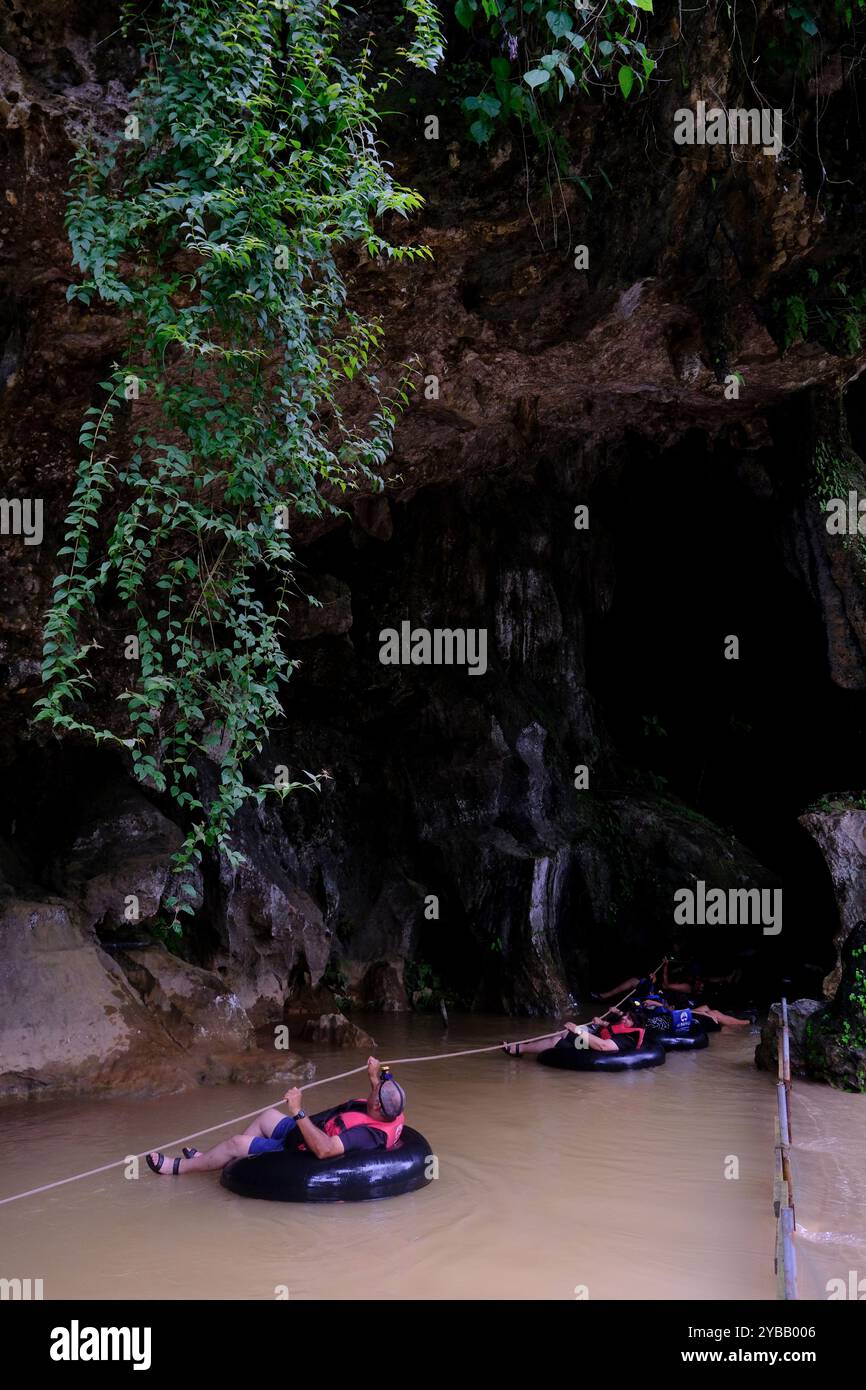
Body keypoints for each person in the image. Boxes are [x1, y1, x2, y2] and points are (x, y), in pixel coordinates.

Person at [147, 1056, 406, 1177]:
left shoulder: (367, 1134)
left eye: (376, 1090)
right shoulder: (388, 1108)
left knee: (236, 1142)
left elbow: (325, 1149)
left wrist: (297, 1111)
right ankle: (231, 1165)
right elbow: (379, 1095)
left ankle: (178, 1168)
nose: (373, 1090)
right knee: (266, 1116)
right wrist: (374, 1076)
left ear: (379, 1108)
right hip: (301, 1132)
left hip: (299, 1149)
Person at [503, 1010, 646, 1056]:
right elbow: (610, 1029)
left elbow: (603, 1046)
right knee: (563, 1033)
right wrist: (602, 1023)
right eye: (625, 1015)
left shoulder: (628, 1038)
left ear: (636, 1024)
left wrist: (577, 1030)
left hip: (596, 1052)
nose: (623, 1018)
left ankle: (520, 1049)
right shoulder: (625, 1027)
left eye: (629, 1018)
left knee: (556, 1041)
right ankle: (527, 1045)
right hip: (593, 1046)